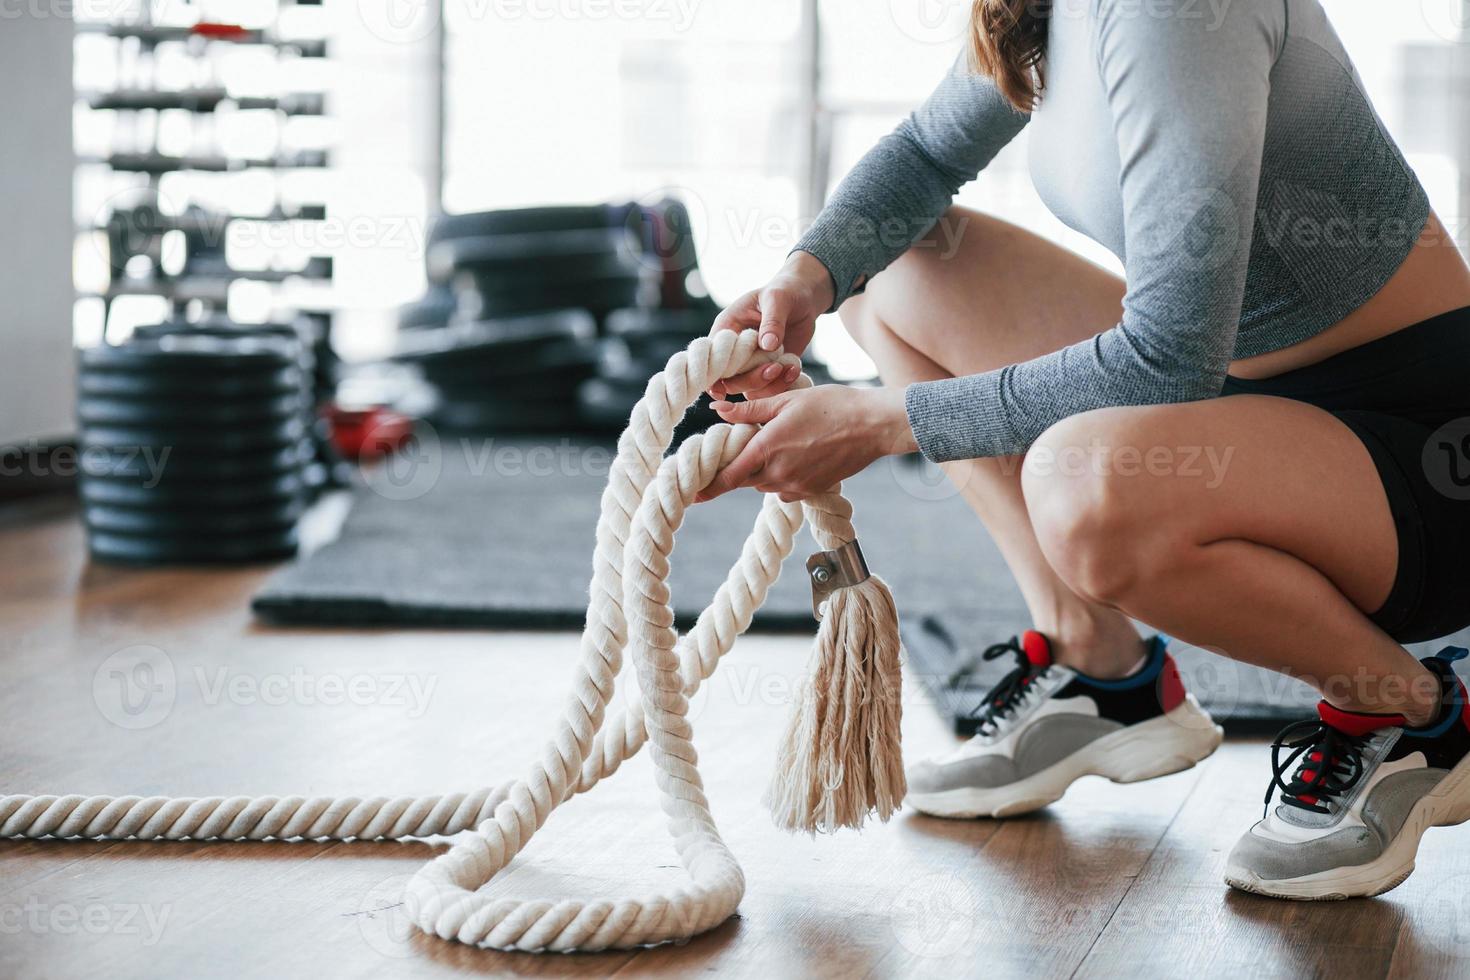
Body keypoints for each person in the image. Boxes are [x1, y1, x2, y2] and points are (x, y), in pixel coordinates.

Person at [698, 0, 1470, 900]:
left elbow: (1168, 356)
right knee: (897, 268)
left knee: (1085, 484)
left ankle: (1407, 711)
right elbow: (925, 155)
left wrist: (880, 421)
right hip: (1242, 391)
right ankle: (1098, 669)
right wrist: (811, 270)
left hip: (1417, 451)